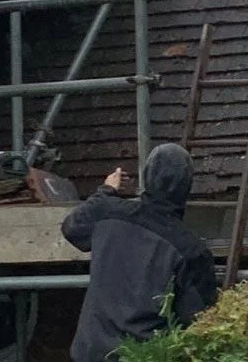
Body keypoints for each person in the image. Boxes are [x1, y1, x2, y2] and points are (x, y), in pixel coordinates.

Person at [60, 142, 217, 361]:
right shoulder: (191, 250)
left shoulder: (108, 212)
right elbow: (200, 320)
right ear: (187, 187)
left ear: (146, 177)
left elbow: (71, 227)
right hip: (144, 355)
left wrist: (106, 190)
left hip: (90, 353)